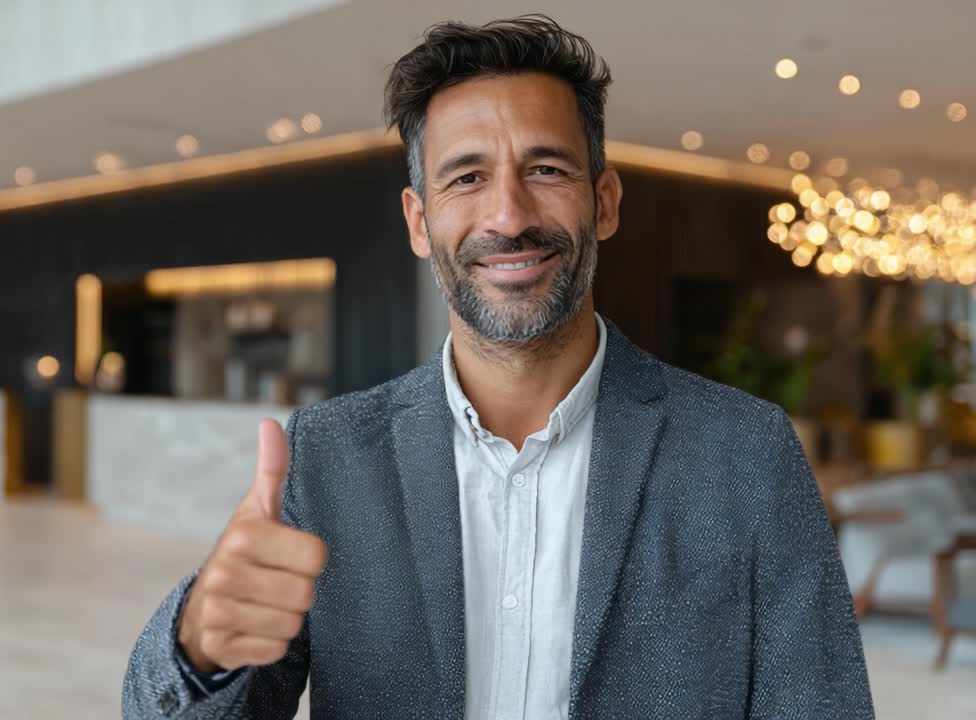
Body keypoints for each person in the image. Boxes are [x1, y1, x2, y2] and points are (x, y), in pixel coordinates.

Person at [123, 15, 873, 719]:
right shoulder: (329, 459)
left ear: (604, 202)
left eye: (545, 168)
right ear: (420, 222)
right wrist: (198, 646)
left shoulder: (745, 452)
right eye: (467, 177)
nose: (509, 217)